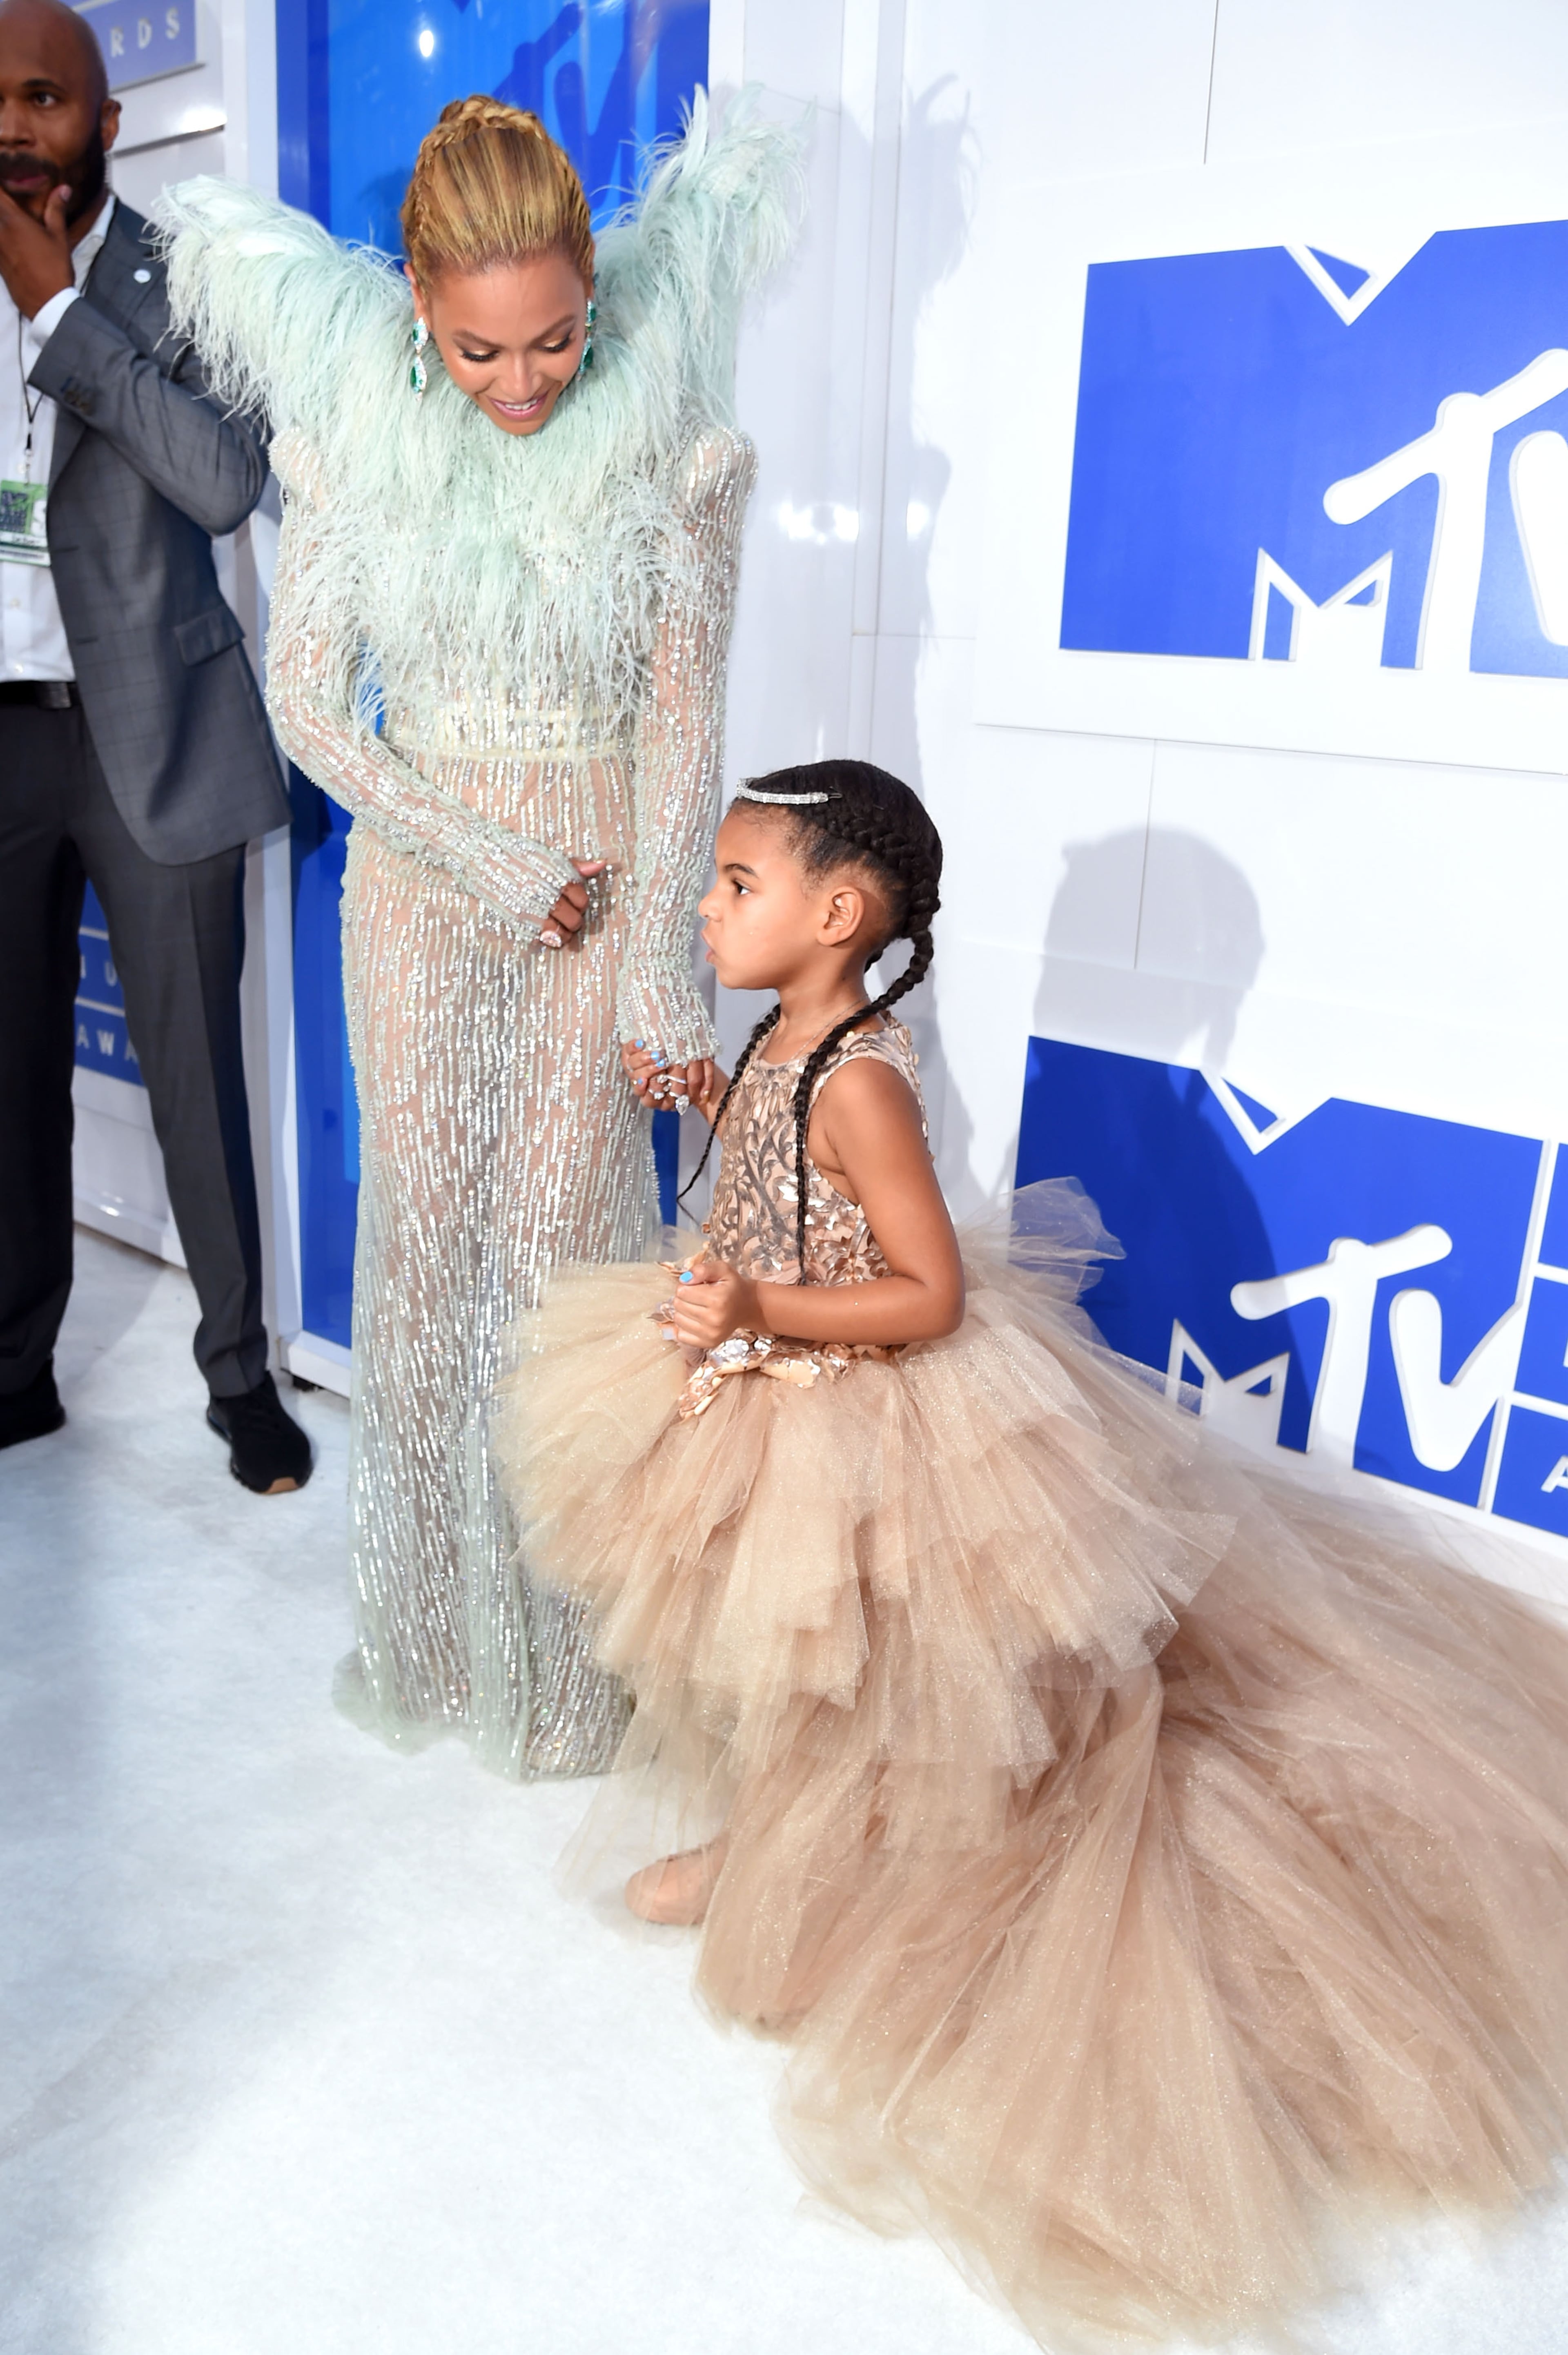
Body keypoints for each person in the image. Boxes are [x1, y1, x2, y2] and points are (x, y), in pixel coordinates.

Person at [497, 757, 1568, 2345]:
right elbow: (797, 1181)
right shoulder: (786, 1039)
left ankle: (832, 1881)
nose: (709, 906)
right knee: (771, 1654)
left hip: (857, 1403)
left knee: (870, 1664)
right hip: (760, 1378)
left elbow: (923, 1291)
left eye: (737, 883)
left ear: (837, 911)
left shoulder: (863, 1072)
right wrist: (717, 1107)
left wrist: (760, 1307)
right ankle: (767, 1833)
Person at [156, 96, 795, 1775]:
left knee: (572, 1256)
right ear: (418, 311)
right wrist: (482, 852)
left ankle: (575, 1670)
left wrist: (664, 962)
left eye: (558, 341)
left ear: (602, 296)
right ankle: (435, 1640)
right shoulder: (359, 439)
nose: (522, 386)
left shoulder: (677, 447)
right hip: (427, 891)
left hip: (611, 888)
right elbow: (307, 702)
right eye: (478, 349)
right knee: (426, 1255)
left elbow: (682, 740)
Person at [0, 0, 310, 1493]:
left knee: (197, 1079)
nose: (12, 126)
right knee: (8, 1081)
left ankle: (240, 1379)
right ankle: (14, 1368)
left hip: (158, 736)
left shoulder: (179, 275)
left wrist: (60, 312)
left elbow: (224, 480)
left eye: (44, 97)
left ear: (106, 122)